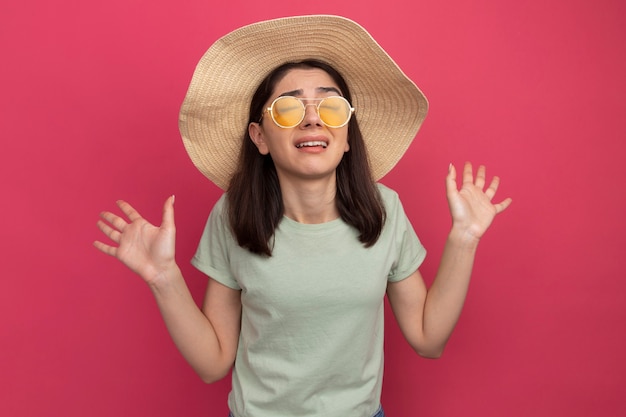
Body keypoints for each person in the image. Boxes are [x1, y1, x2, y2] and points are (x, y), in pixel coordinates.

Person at [94, 15, 511, 417]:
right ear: (260, 136)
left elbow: (428, 339)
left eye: (331, 107)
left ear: (347, 134)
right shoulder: (233, 215)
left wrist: (465, 238)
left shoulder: (385, 210)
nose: (313, 118)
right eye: (289, 110)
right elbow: (213, 362)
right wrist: (163, 278)